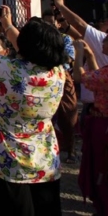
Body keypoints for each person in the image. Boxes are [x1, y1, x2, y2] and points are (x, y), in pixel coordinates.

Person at [0, 5, 67, 215]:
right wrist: (8, 25)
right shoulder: (57, 73)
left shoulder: (6, 70)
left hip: (6, 161)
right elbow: (29, 49)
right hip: (43, 160)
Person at [73, 37, 108, 213]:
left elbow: (80, 77)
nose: (103, 42)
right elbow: (97, 78)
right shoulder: (104, 74)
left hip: (104, 125)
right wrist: (90, 55)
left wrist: (79, 53)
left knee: (101, 167)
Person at [41, 8, 78, 164]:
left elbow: (69, 58)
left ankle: (70, 149)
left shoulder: (65, 39)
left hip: (62, 77)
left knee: (68, 114)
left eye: (52, 22)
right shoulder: (40, 40)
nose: (49, 25)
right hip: (41, 79)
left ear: (57, 23)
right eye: (46, 22)